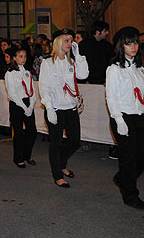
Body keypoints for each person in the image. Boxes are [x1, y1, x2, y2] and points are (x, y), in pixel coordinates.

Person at [105, 27, 144, 210]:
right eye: (128, 43)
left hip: (139, 115)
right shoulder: (114, 69)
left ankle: (122, 178)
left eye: (135, 42)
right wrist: (118, 119)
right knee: (129, 157)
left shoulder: (140, 69)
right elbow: (111, 97)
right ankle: (131, 195)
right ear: (121, 46)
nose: (133, 46)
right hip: (123, 116)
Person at [38, 29, 89, 188]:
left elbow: (83, 75)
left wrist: (78, 55)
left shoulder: (72, 62)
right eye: (66, 40)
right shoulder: (47, 62)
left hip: (70, 108)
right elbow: (44, 87)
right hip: (55, 108)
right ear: (58, 42)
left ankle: (61, 163)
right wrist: (49, 108)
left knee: (75, 141)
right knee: (56, 143)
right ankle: (57, 174)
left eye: (71, 40)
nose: (70, 43)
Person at [5, 47, 37, 168]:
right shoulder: (10, 73)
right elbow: (12, 94)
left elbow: (32, 89)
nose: (23, 59)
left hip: (28, 102)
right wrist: (24, 107)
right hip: (17, 104)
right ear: (14, 58)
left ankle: (27, 155)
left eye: (25, 56)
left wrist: (31, 104)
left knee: (32, 131)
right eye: (20, 56)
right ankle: (18, 158)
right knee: (18, 133)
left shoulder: (27, 72)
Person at [78, 20, 114, 84]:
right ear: (97, 32)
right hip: (87, 82)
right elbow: (80, 63)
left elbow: (111, 63)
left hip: (103, 81)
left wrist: (108, 79)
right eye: (105, 31)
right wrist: (84, 80)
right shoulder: (84, 45)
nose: (107, 33)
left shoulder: (108, 46)